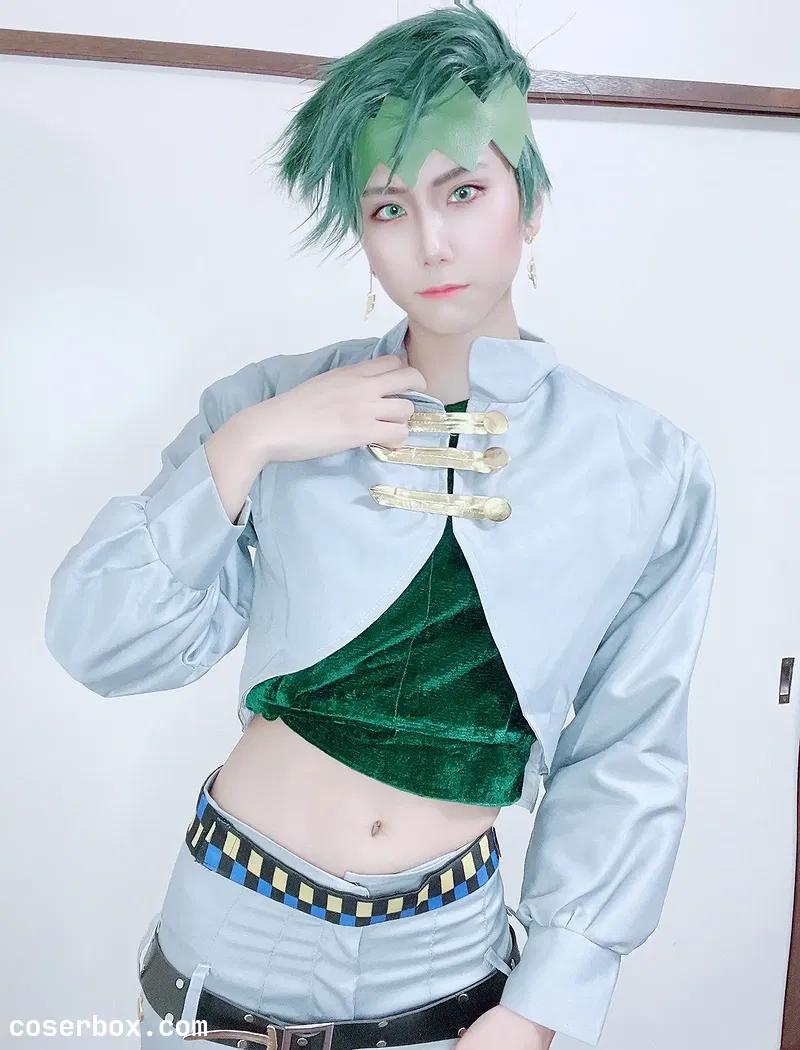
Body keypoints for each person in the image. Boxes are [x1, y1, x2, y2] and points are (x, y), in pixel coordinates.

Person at [44, 2, 718, 1048]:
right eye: (389, 208)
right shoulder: (267, 406)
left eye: (464, 192)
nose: (431, 242)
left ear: (529, 203)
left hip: (446, 954)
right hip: (231, 923)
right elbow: (103, 644)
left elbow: (627, 751)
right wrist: (250, 444)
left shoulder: (646, 467)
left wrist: (543, 1003)